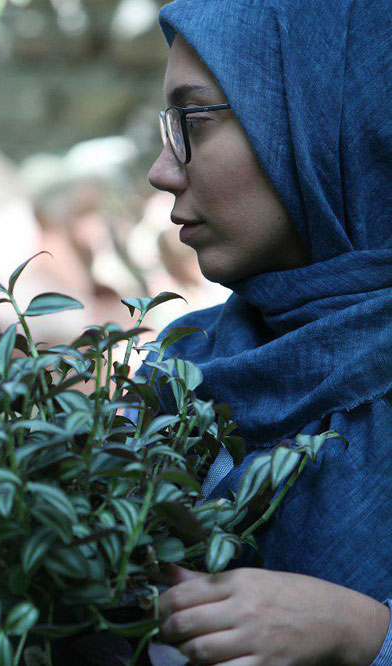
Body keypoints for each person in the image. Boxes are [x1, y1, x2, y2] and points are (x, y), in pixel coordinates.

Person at [143, 1, 392, 665]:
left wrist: (363, 634)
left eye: (194, 120)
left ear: (327, 119)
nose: (162, 171)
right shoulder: (182, 368)